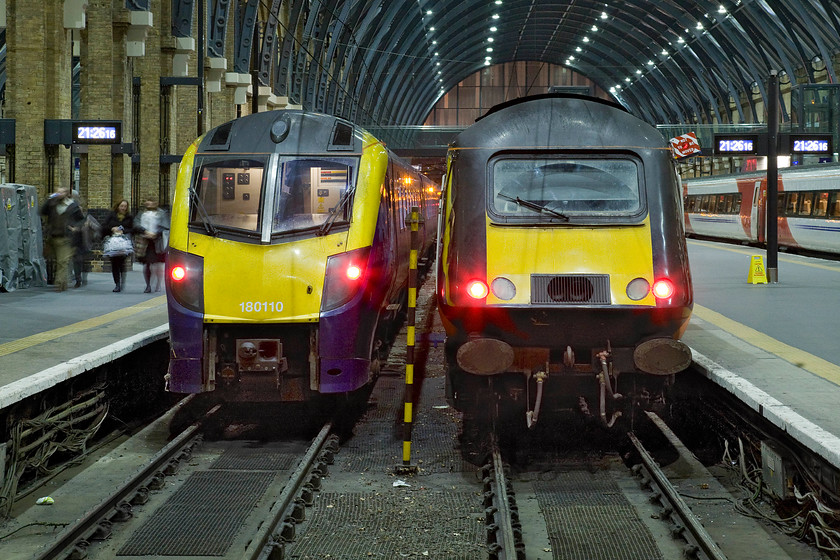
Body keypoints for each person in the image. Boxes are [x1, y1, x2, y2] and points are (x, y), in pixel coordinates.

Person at [40, 187, 84, 292]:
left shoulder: (73, 206)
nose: (59, 193)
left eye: (62, 192)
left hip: (66, 238)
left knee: (62, 261)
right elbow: (42, 211)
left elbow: (81, 219)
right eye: (58, 192)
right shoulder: (52, 204)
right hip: (52, 237)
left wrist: (75, 227)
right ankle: (63, 282)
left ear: (66, 194)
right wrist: (49, 199)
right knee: (56, 261)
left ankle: (59, 284)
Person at [102, 199, 135, 292]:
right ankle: (117, 284)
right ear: (118, 206)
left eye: (125, 206)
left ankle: (121, 282)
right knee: (114, 264)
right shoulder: (111, 215)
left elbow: (132, 229)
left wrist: (123, 231)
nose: (123, 208)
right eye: (122, 206)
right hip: (113, 244)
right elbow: (104, 226)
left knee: (122, 264)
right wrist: (112, 229)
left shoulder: (129, 217)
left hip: (124, 244)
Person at [137, 198, 168, 292]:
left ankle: (158, 283)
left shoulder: (161, 213)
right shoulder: (141, 214)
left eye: (152, 202)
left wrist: (156, 233)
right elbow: (136, 224)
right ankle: (148, 285)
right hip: (145, 242)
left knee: (157, 264)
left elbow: (165, 226)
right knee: (147, 263)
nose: (149, 204)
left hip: (157, 242)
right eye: (148, 202)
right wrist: (144, 231)